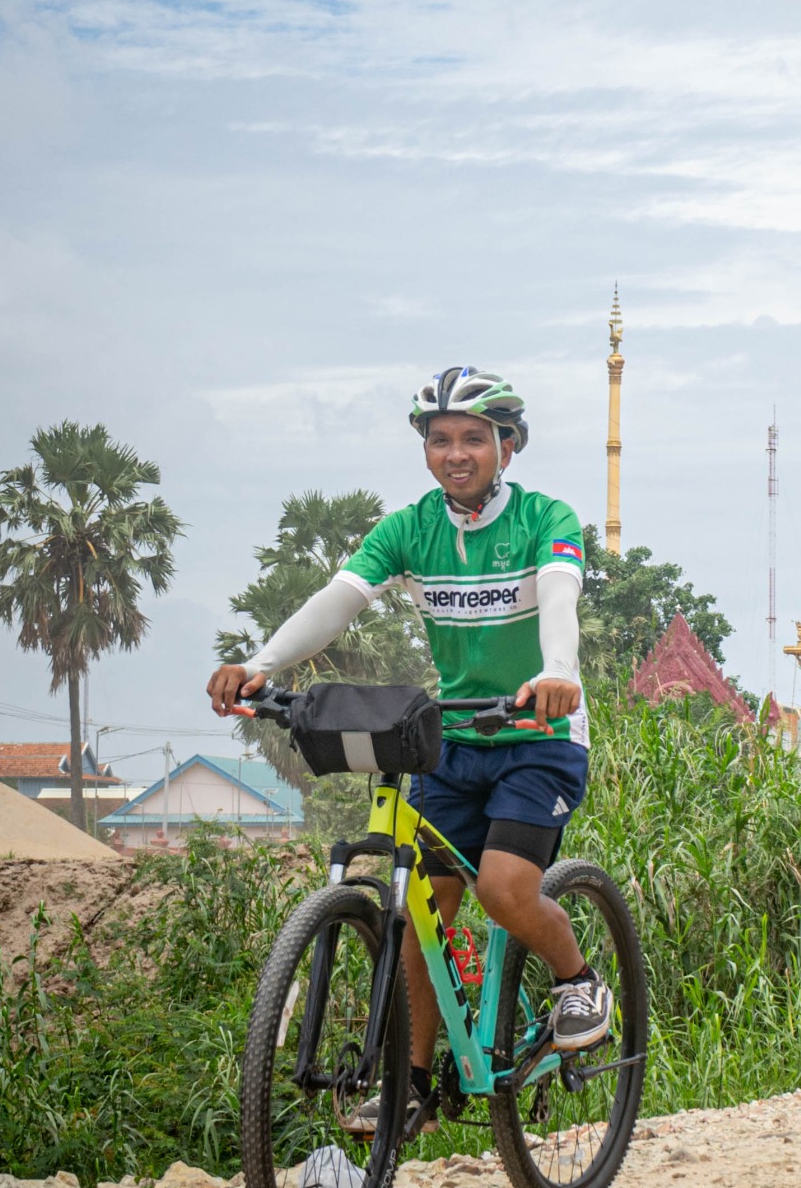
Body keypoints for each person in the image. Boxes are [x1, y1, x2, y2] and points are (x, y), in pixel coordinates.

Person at [207, 366, 608, 1135]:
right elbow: (340, 599)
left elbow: (560, 596)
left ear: (507, 447)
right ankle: (414, 1085)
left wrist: (559, 673)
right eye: (439, 441)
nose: (455, 454)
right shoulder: (410, 528)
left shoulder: (545, 518)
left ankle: (578, 981)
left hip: (537, 736)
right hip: (454, 740)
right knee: (419, 912)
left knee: (502, 891)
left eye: (472, 440)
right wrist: (262, 665)